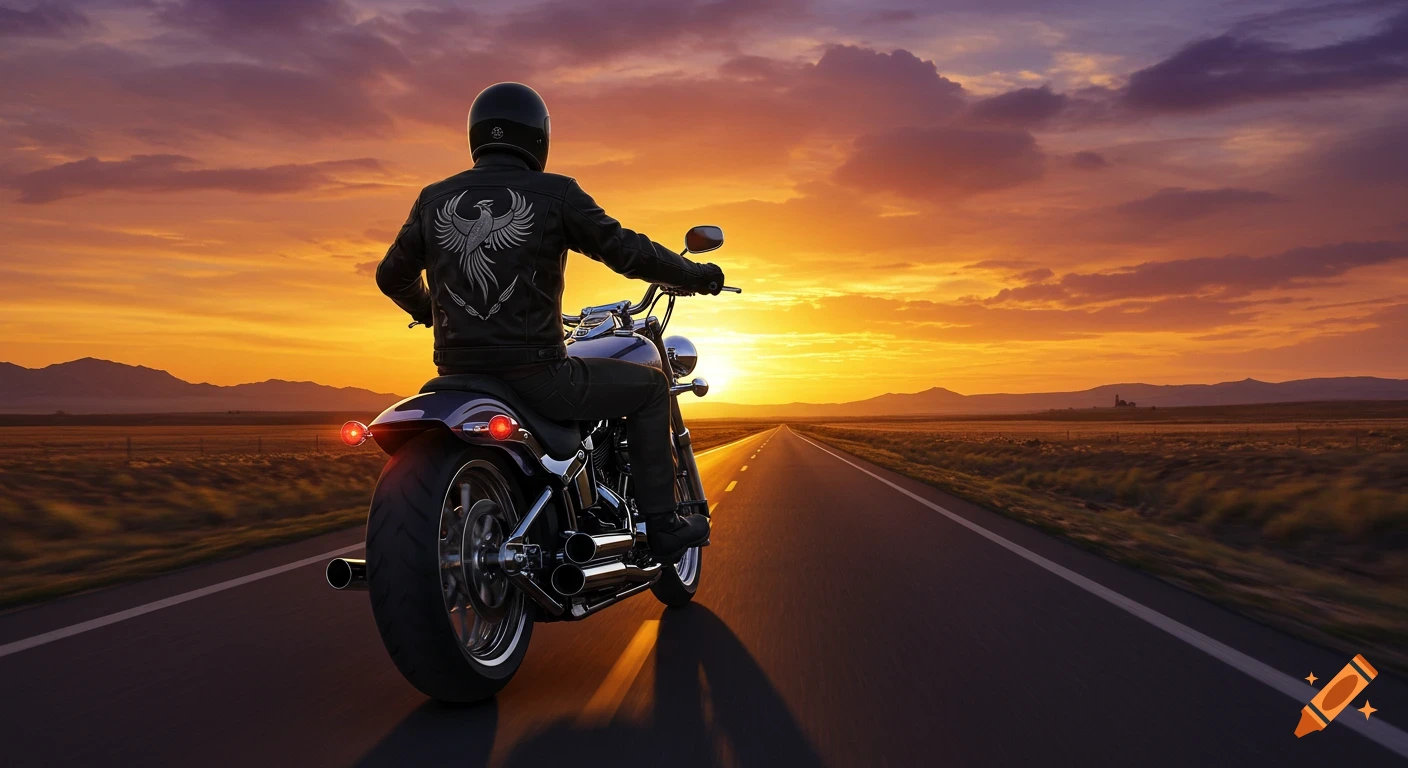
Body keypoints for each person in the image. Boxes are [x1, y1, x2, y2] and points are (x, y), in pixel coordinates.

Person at [375, 82, 721, 560]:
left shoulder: (434, 199)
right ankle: (661, 527)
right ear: (539, 136)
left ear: (477, 135)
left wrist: (428, 311)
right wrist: (697, 275)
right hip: (537, 375)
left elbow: (391, 275)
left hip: (455, 375)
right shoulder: (555, 193)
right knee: (651, 389)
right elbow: (627, 250)